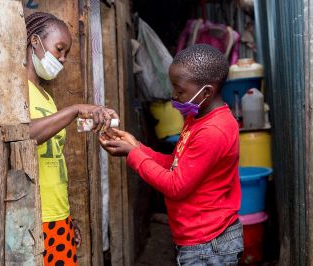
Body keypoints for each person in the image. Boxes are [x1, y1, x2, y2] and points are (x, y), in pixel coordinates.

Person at [100, 44, 243, 265]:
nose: (174, 95)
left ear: (206, 92)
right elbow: (177, 164)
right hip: (200, 239)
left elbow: (176, 185)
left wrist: (135, 156)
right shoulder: (196, 119)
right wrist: (137, 146)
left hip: (209, 244)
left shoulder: (213, 131)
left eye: (180, 89)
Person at [25, 12, 118, 266]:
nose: (63, 59)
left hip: (58, 216)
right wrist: (76, 109)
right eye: (59, 49)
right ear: (35, 41)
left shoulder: (45, 96)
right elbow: (27, 135)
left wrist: (98, 120)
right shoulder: (18, 91)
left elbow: (55, 149)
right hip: (35, 219)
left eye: (65, 53)